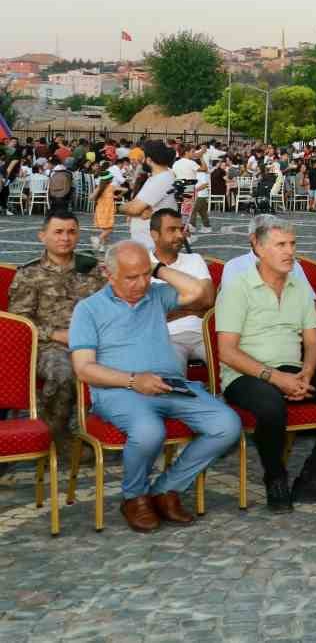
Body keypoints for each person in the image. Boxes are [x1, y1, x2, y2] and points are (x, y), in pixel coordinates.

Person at [68, 241, 237, 533]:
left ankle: (165, 489)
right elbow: (84, 368)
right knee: (149, 431)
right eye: (132, 277)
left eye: (146, 274)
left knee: (227, 425)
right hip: (119, 390)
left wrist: (158, 267)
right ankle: (134, 497)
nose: (142, 283)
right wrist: (134, 380)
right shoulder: (89, 309)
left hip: (169, 384)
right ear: (109, 274)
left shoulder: (155, 295)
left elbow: (198, 292)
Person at [214, 217, 316, 512]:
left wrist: (307, 373)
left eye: (292, 244)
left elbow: (313, 342)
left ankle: (311, 476)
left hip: (292, 369)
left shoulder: (297, 287)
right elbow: (227, 352)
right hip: (245, 375)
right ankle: (275, 478)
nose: (289, 251)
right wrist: (275, 378)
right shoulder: (237, 288)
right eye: (280, 244)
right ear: (257, 247)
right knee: (270, 404)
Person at [8, 211, 104, 459]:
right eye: (58, 232)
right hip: (49, 344)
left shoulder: (92, 269)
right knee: (61, 372)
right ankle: (58, 435)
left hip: (94, 340)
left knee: (134, 363)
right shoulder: (29, 274)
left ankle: (114, 428)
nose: (65, 238)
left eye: (71, 232)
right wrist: (56, 334)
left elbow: (109, 305)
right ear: (43, 236)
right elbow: (19, 321)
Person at [147, 209, 210, 363]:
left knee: (230, 369)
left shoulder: (195, 259)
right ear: (155, 235)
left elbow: (208, 300)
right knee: (173, 378)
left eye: (181, 229)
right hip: (166, 338)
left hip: (203, 336)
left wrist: (171, 310)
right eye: (172, 230)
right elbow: (147, 314)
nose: (180, 235)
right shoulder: (143, 264)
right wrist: (193, 308)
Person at [120, 141, 178, 249]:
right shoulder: (159, 177)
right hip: (147, 241)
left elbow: (134, 209)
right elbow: (136, 206)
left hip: (151, 244)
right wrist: (137, 209)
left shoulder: (161, 179)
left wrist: (122, 207)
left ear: (149, 160)